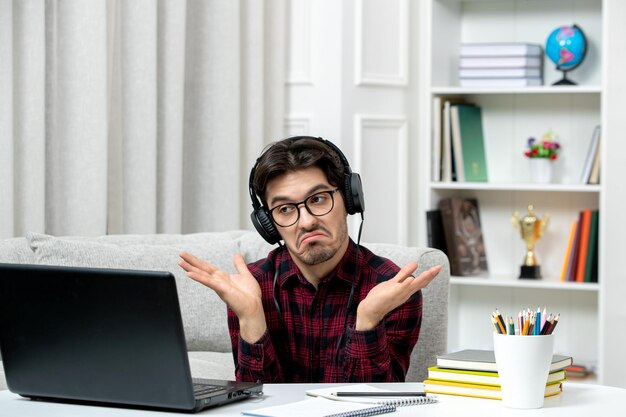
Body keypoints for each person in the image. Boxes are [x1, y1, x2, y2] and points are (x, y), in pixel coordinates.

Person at [178, 136, 442, 383]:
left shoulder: (392, 287)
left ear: (350, 200)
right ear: (268, 224)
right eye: (285, 209)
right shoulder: (251, 287)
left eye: (318, 199)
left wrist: (368, 321)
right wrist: (250, 318)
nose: (306, 222)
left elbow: (375, 405)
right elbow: (254, 401)